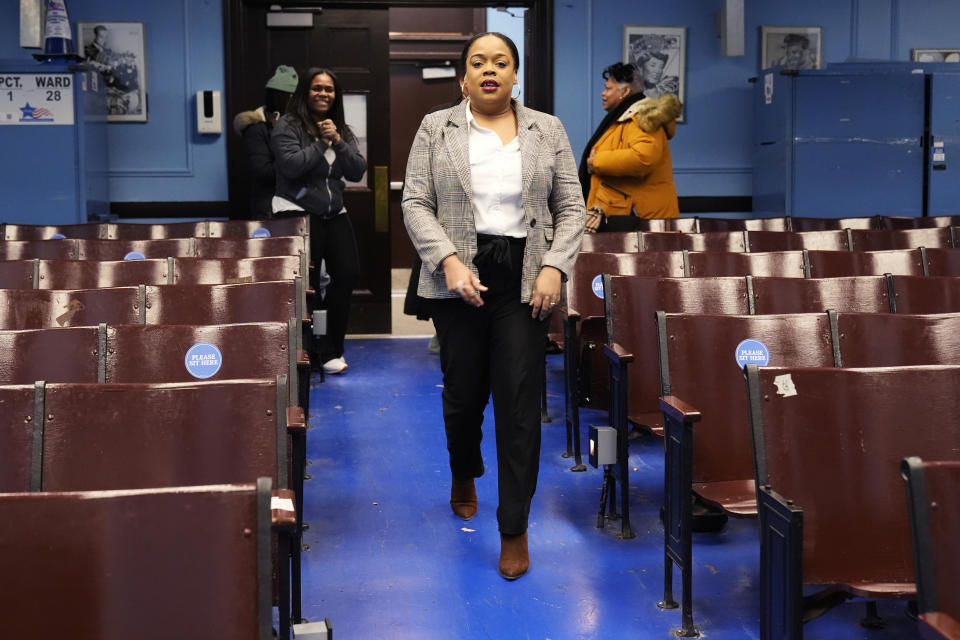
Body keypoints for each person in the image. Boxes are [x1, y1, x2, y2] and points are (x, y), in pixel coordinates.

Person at [402, 32, 584, 580]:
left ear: (514, 74)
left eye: (500, 62)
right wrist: (449, 261)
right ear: (464, 76)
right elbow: (414, 201)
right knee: (463, 396)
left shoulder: (546, 129)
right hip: (458, 278)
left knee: (519, 400)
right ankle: (464, 468)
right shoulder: (436, 128)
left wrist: (555, 265)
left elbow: (571, 206)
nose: (489, 70)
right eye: (478, 62)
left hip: (524, 280)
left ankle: (514, 525)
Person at [272, 67, 366, 375]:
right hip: (297, 212)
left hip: (333, 213)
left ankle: (332, 348)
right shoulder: (288, 125)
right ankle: (309, 351)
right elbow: (290, 166)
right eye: (317, 88)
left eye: (329, 89)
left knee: (347, 274)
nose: (323, 94)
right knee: (307, 286)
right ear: (305, 92)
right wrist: (322, 144)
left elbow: (356, 170)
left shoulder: (340, 129)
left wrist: (337, 140)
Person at [579, 61, 682, 230]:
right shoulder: (624, 117)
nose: (603, 93)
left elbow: (643, 158)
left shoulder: (643, 117)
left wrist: (596, 162)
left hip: (639, 220)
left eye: (608, 88)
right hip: (626, 216)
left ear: (625, 91)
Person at [232, 65, 298, 219]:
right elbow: (263, 172)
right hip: (270, 210)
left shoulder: (298, 126)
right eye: (294, 98)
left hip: (298, 205)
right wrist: (297, 163)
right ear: (284, 97)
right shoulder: (257, 128)